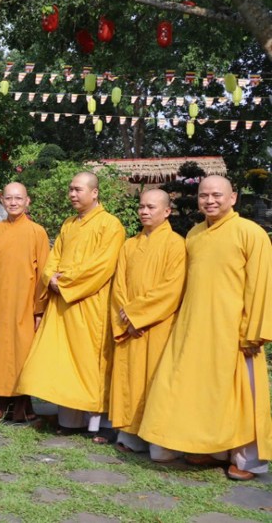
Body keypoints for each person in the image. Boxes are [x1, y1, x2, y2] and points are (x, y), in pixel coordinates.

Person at [140, 176, 272, 480]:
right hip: (196, 326)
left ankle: (246, 460)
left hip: (235, 331)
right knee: (201, 390)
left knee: (241, 395)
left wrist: (253, 331)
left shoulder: (250, 234)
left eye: (216, 195)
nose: (209, 201)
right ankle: (208, 447)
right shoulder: (195, 235)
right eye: (203, 196)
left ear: (233, 197)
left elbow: (261, 286)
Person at [17, 172, 125, 439]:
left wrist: (65, 284)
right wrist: (49, 278)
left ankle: (94, 423)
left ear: (95, 193)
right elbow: (54, 258)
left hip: (89, 304)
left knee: (88, 363)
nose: (72, 195)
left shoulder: (110, 225)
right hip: (63, 303)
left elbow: (102, 267)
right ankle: (69, 420)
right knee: (62, 361)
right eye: (70, 190)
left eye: (78, 190)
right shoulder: (68, 224)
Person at [108, 189, 185, 458]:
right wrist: (126, 316)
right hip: (129, 327)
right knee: (130, 381)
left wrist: (138, 314)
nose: (144, 212)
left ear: (166, 211)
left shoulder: (176, 244)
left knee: (155, 382)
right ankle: (130, 436)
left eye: (151, 207)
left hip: (158, 326)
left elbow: (172, 289)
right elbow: (118, 287)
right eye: (141, 207)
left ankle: (159, 440)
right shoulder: (129, 245)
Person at [0, 183, 49, 422]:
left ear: (27, 201)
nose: (13, 202)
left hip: (25, 304)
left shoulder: (36, 232)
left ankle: (22, 407)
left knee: (22, 354)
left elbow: (43, 274)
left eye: (18, 198)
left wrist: (39, 309)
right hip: (0, 303)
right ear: (1, 200)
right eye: (8, 198)